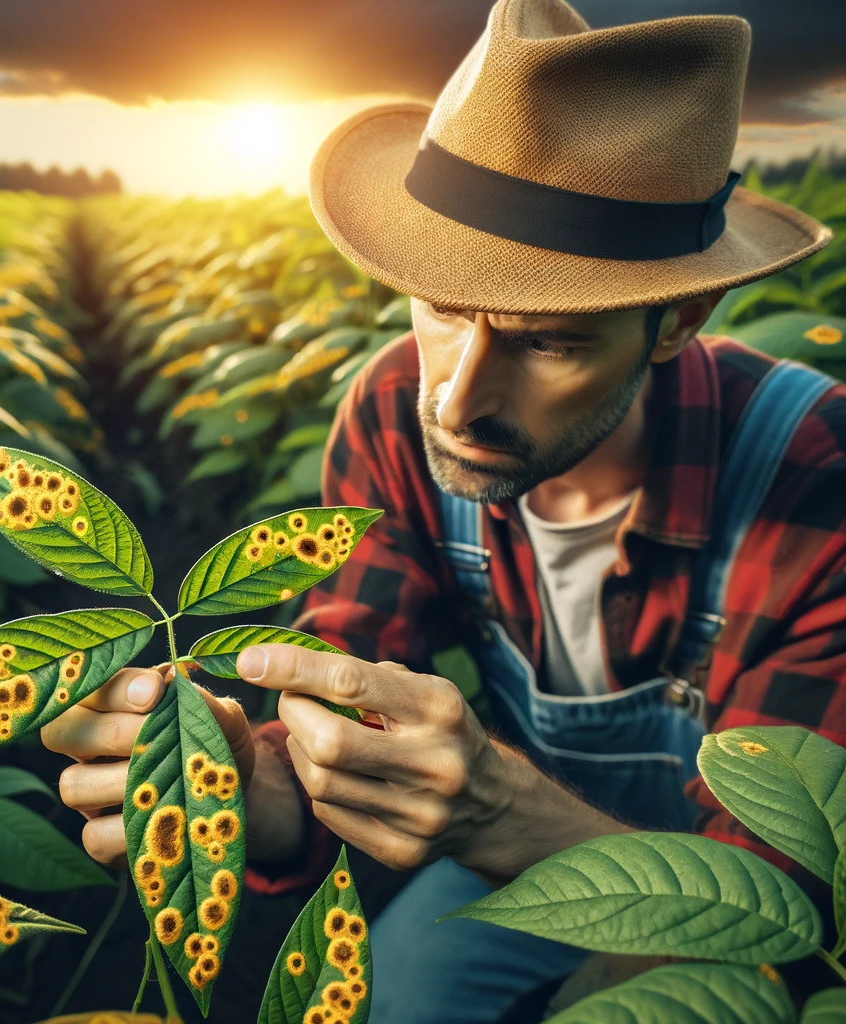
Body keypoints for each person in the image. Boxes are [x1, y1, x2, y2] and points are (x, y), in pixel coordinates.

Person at [42, 0, 843, 1018]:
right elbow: (348, 680)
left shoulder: (812, 471)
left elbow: (785, 906)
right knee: (399, 994)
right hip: (502, 851)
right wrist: (271, 790)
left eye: (546, 342)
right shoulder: (390, 409)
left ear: (676, 319)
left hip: (732, 901)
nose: (456, 400)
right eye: (439, 308)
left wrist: (502, 807)